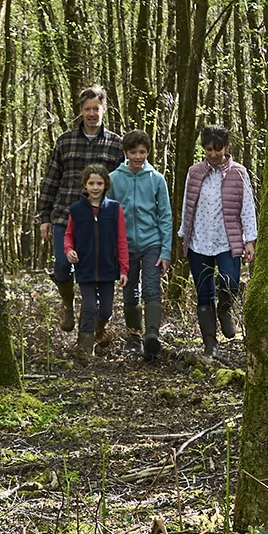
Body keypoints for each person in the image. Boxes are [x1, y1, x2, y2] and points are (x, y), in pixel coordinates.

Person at [35, 87, 126, 335]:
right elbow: (51, 179)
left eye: (96, 108)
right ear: (80, 111)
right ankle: (67, 302)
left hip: (101, 220)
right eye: (87, 109)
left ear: (104, 110)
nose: (91, 114)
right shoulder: (65, 141)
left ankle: (97, 324)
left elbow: (123, 183)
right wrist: (44, 217)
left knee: (98, 272)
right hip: (65, 215)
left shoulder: (116, 144)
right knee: (62, 266)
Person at [177, 124, 255, 361]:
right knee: (203, 293)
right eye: (208, 149)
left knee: (230, 282)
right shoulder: (194, 172)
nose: (212, 154)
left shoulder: (239, 173)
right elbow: (186, 205)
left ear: (227, 147)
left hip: (228, 241)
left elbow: (248, 208)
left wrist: (250, 240)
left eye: (217, 148)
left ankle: (225, 309)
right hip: (199, 242)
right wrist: (184, 234)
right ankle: (210, 344)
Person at [107, 132, 173, 363]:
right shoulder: (114, 178)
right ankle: (133, 337)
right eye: (133, 152)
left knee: (152, 288)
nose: (138, 156)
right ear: (126, 153)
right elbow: (108, 214)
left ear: (148, 153)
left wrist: (166, 251)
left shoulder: (156, 179)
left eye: (142, 152)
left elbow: (165, 216)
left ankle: (152, 335)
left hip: (152, 242)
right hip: (125, 245)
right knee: (129, 290)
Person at [61, 166, 130, 361]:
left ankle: (99, 333)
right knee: (89, 307)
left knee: (106, 310)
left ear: (105, 184)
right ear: (85, 185)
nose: (95, 187)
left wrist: (124, 268)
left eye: (99, 183)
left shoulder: (114, 209)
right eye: (91, 183)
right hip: (85, 268)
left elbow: (121, 241)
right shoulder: (76, 210)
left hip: (109, 268)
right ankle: (85, 349)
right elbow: (69, 235)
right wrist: (69, 251)